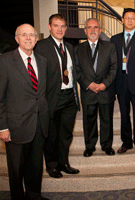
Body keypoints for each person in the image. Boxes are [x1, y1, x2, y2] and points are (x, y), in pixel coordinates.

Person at [0, 24, 49, 200]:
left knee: (35, 166)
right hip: (15, 126)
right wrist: (2, 127)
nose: (28, 38)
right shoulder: (5, 61)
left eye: (31, 35)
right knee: (16, 169)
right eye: (24, 35)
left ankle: (34, 195)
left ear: (36, 39)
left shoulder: (42, 61)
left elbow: (42, 94)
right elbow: (0, 98)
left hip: (38, 123)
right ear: (17, 38)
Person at [35, 14, 80, 179]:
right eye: (56, 25)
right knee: (51, 135)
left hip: (69, 97)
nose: (59, 29)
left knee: (66, 134)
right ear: (49, 27)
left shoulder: (69, 47)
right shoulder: (41, 47)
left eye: (62, 26)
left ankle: (64, 163)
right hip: (52, 97)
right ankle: (52, 166)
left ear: (66, 28)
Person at [75, 18, 117, 157]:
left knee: (107, 120)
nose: (92, 30)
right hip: (88, 92)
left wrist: (104, 84)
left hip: (106, 90)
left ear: (100, 30)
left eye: (95, 27)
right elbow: (76, 70)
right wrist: (88, 84)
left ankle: (107, 145)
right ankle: (90, 146)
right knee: (89, 121)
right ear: (85, 30)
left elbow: (113, 68)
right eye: (89, 27)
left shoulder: (109, 47)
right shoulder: (78, 49)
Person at [110, 8, 135, 155]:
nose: (130, 20)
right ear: (122, 20)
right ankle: (126, 142)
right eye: (127, 18)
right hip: (121, 82)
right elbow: (112, 62)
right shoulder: (115, 39)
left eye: (133, 18)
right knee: (124, 115)